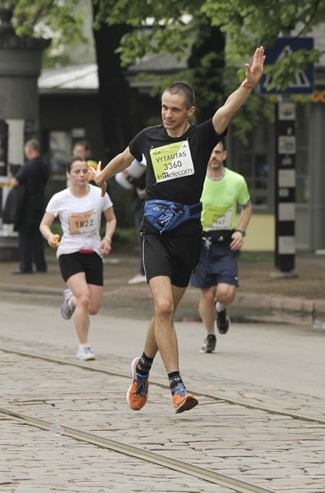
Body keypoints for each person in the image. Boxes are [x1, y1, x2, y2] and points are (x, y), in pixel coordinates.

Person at [92, 46, 265, 414]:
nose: (167, 115)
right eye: (164, 108)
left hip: (188, 236)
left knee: (163, 314)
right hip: (154, 232)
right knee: (164, 306)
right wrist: (102, 177)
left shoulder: (201, 138)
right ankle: (177, 387)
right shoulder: (149, 137)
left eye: (175, 109)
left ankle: (141, 368)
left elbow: (226, 110)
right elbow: (126, 156)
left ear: (189, 111)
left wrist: (247, 85)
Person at [39, 157, 116, 361]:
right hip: (69, 252)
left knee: (94, 307)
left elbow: (111, 218)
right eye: (77, 171)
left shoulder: (99, 194)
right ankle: (84, 347)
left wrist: (107, 238)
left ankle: (70, 299)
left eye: (85, 171)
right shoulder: (59, 198)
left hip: (93, 252)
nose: (81, 175)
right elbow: (44, 225)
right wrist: (50, 237)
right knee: (85, 298)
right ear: (68, 174)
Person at [190, 141, 252, 354]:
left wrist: (240, 231)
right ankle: (209, 335)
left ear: (224, 155)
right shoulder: (196, 179)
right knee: (207, 293)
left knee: (226, 292)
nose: (213, 156)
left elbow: (247, 206)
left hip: (226, 242)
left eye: (217, 152)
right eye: (211, 152)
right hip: (201, 242)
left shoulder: (237, 181)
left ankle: (221, 309)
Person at [11, 139, 50, 274]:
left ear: (29, 151)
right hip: (40, 203)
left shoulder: (28, 166)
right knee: (38, 235)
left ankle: (26, 266)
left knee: (25, 236)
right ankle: (41, 265)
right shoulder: (44, 166)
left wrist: (14, 174)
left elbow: (15, 182)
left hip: (27, 206)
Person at [114, 163, 147, 285]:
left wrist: (128, 177)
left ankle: (144, 271)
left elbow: (142, 186)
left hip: (144, 205)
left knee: (144, 238)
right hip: (142, 204)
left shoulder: (147, 165)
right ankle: (144, 270)